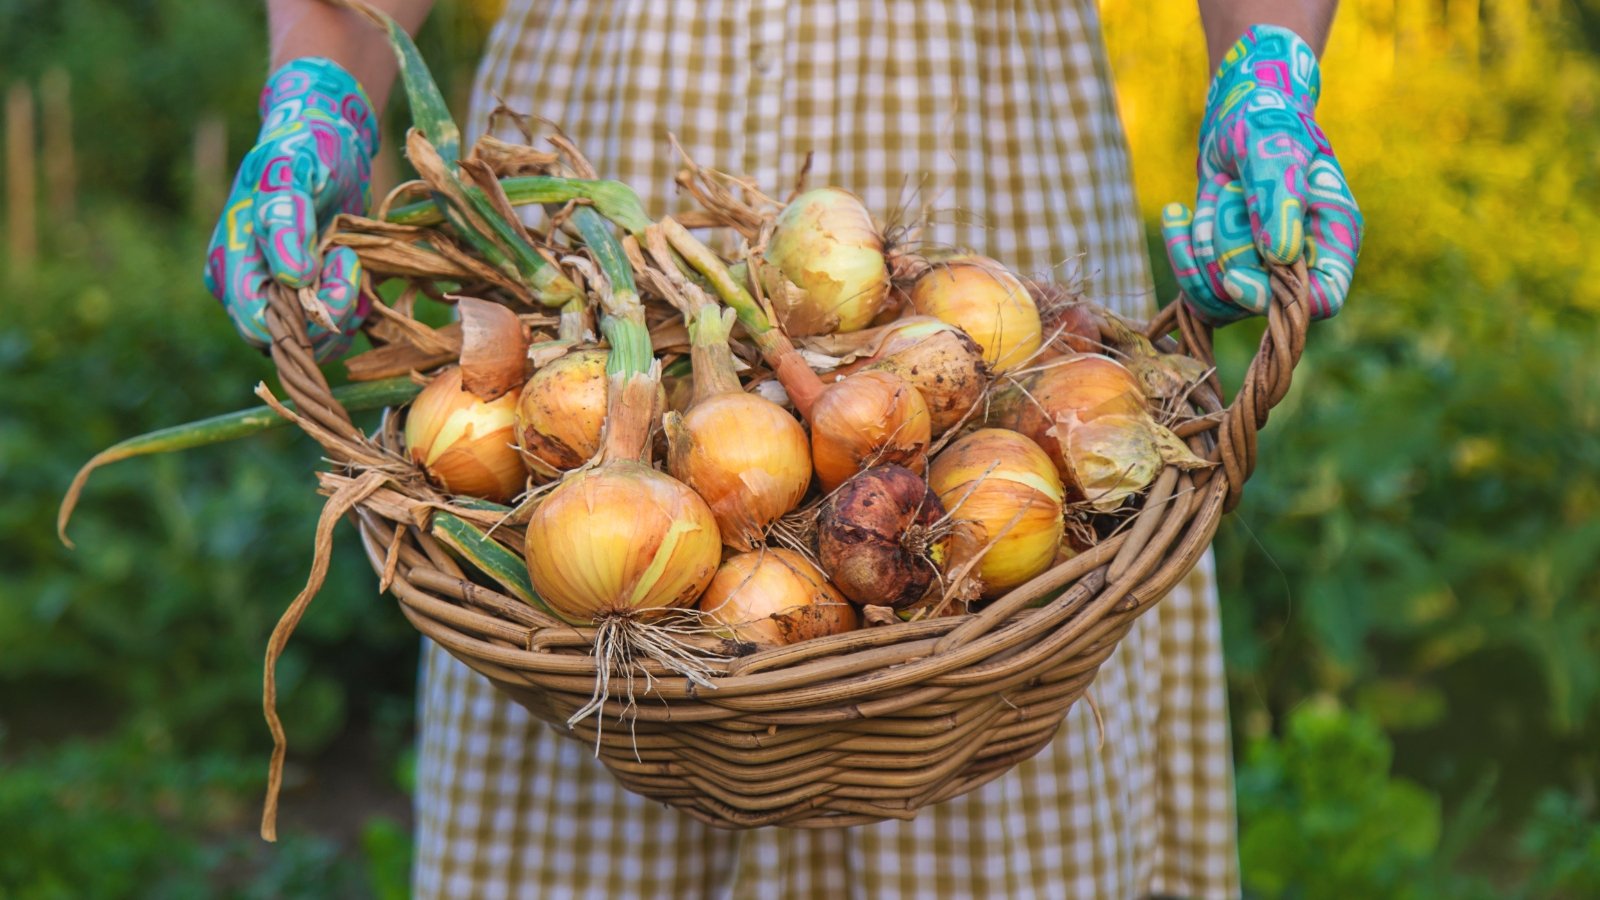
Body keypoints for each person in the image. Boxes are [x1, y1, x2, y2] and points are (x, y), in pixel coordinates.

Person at [207, 1, 1362, 896]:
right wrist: (320, 96)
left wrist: (1263, 78)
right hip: (602, 232)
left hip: (986, 202)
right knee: (585, 572)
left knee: (1022, 515)